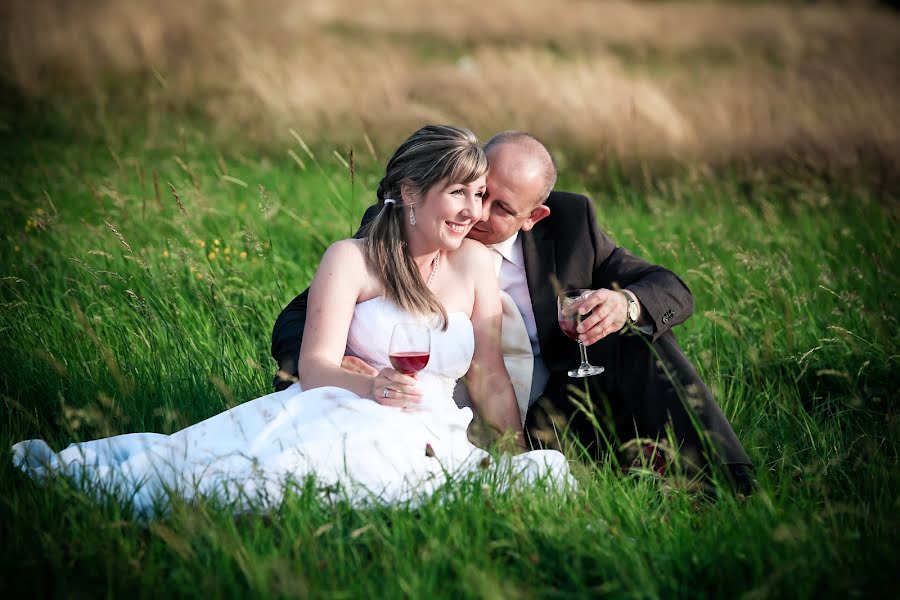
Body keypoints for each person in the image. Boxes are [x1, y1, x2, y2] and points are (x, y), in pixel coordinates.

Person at [11, 125, 574, 517]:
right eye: (460, 194)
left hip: (433, 429)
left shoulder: (476, 265)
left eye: (480, 196)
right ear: (409, 191)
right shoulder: (351, 259)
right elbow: (314, 365)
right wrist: (371, 384)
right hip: (350, 407)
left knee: (535, 479)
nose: (474, 213)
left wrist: (515, 451)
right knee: (249, 484)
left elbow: (491, 376)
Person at [272, 131, 754, 493]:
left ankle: (727, 481)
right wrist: (341, 373)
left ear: (532, 218)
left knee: (640, 339)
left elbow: (669, 287)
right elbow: (303, 316)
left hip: (555, 407)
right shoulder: (405, 227)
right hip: (416, 406)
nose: (476, 214)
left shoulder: (570, 226)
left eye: (497, 205)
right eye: (475, 189)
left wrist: (624, 303)